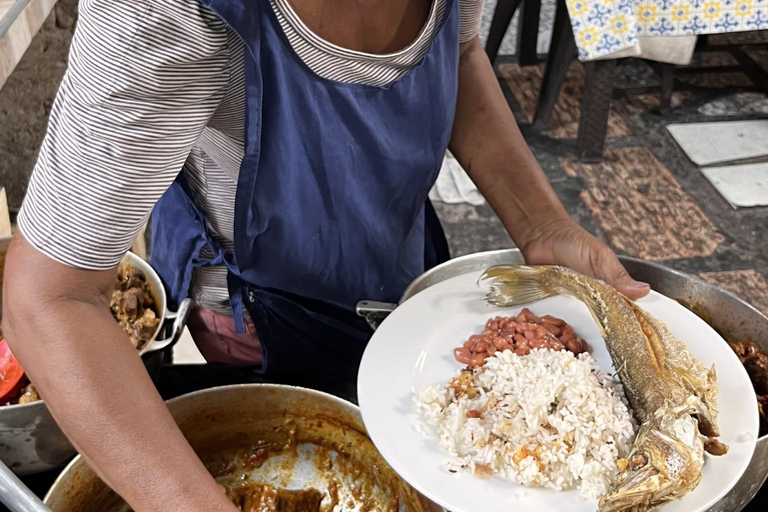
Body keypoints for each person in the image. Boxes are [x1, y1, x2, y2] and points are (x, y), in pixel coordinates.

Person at [2, 0, 650, 510]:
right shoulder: (161, 15)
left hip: (393, 252)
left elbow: (461, 48)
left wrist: (543, 223)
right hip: (256, 309)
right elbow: (49, 297)